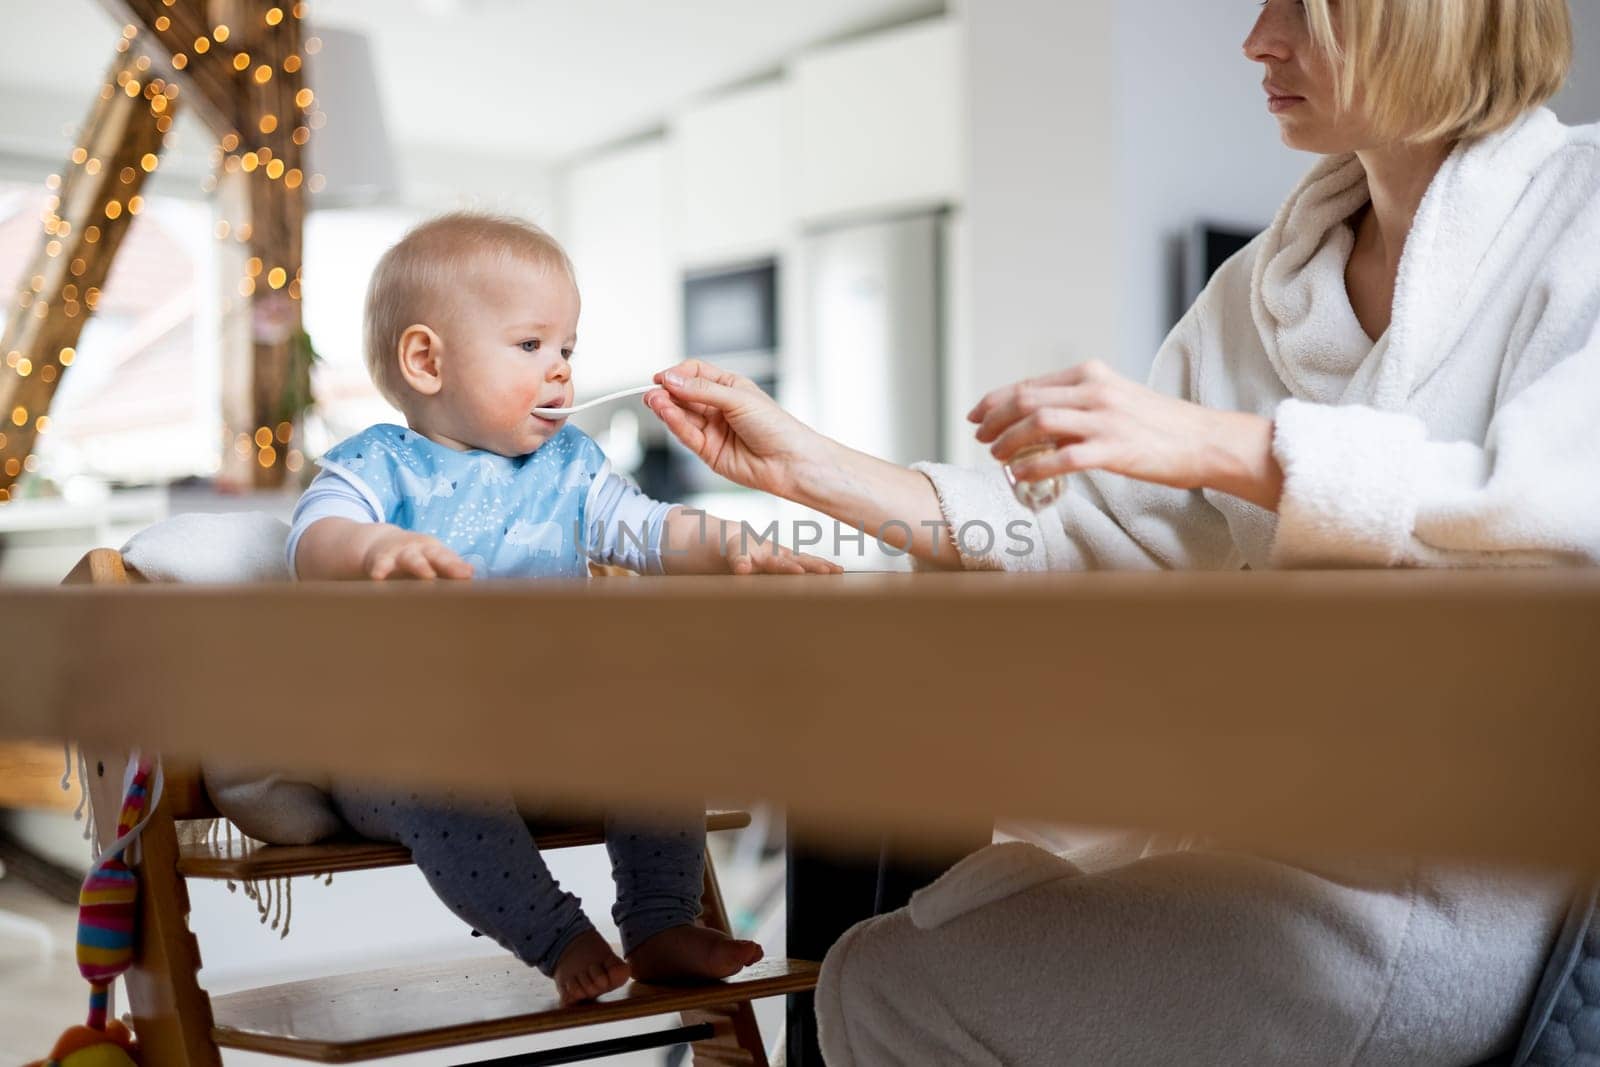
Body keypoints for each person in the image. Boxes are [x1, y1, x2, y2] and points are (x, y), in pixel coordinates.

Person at [643, 0, 1599, 1060]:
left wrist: (1226, 447)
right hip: (1251, 843)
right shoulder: (1263, 288)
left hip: (1444, 895)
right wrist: (809, 466)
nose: (1257, 40)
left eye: (1301, 8)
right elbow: (1092, 540)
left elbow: (1558, 528)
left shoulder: (1580, 210)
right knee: (884, 957)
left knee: (890, 984)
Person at [287, 213, 836, 1004]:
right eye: (530, 345)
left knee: (657, 736)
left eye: (568, 349)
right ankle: (556, 932)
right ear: (425, 360)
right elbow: (314, 537)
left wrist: (730, 546)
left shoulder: (568, 466)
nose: (561, 374)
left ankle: (657, 921)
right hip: (404, 752)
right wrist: (372, 550)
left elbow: (649, 529)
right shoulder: (380, 465)